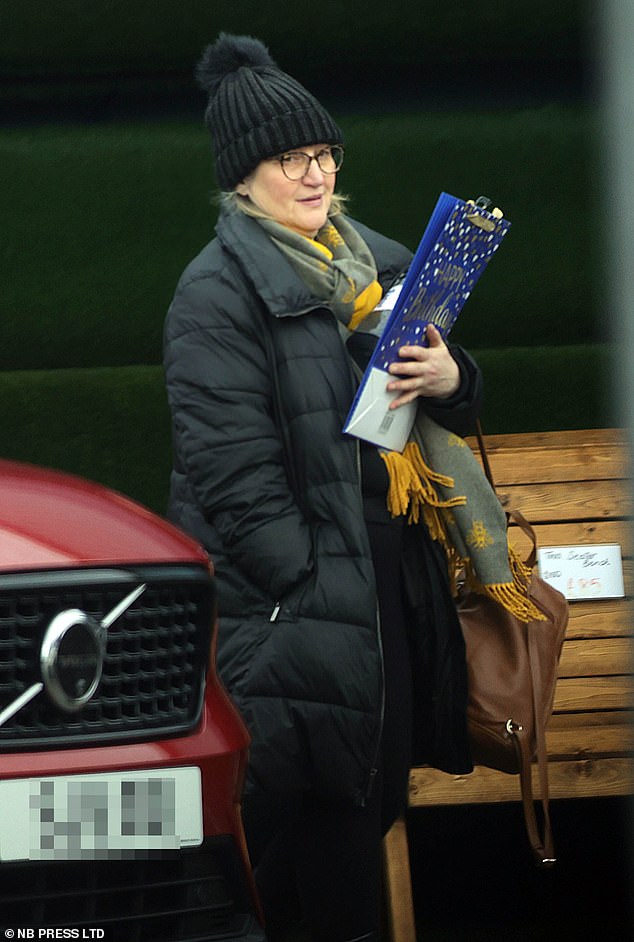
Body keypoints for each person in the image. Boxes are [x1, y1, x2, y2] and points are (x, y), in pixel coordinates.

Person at [164, 33, 483, 942]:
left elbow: (447, 402)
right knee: (317, 820)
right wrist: (311, 580)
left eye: (323, 154)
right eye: (288, 158)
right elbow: (231, 473)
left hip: (377, 582)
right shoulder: (215, 292)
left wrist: (451, 378)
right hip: (292, 600)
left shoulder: (372, 264)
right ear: (242, 177)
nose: (313, 175)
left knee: (360, 801)